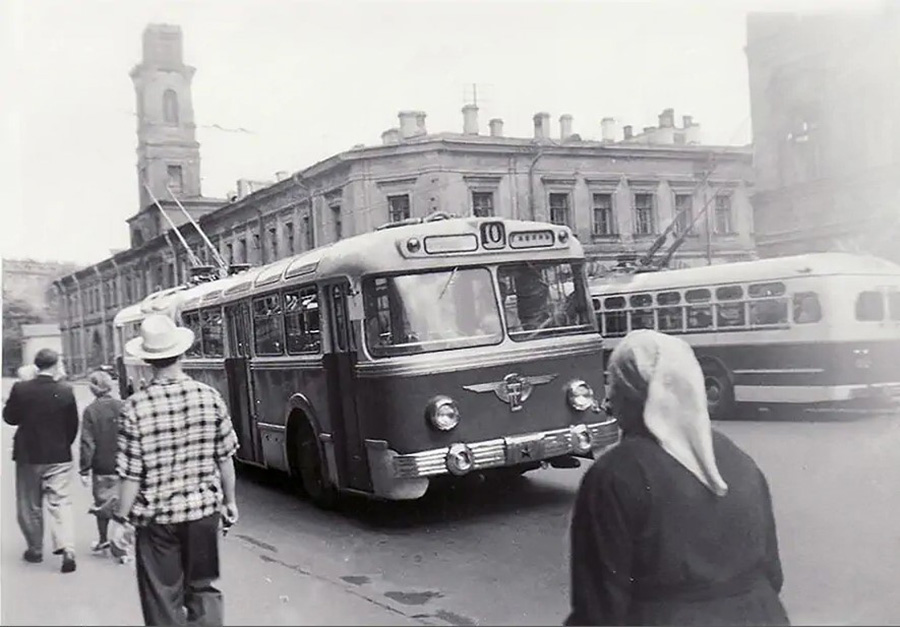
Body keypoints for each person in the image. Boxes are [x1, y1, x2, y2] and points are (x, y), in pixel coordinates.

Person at [566, 329, 789, 626]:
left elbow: (600, 605)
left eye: (614, 385)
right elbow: (772, 573)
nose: (609, 401)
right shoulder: (737, 459)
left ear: (633, 393)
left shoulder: (614, 475)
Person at [108, 314, 239, 626]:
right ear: (182, 353)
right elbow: (225, 458)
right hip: (203, 515)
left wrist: (120, 519)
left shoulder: (135, 407)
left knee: (162, 597)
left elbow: (131, 475)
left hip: (157, 521)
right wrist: (229, 502)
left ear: (148, 360)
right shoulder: (210, 397)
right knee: (204, 588)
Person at [2, 348, 78, 573]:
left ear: (36, 366)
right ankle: (67, 547)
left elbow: (9, 417)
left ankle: (35, 549)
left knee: (30, 503)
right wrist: (63, 444)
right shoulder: (65, 390)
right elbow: (72, 425)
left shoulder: (21, 389)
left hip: (29, 454)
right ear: (55, 365)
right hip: (59, 455)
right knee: (60, 501)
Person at [79, 370, 125, 557]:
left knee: (102, 504)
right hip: (123, 464)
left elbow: (87, 443)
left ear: (92, 389)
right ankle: (121, 543)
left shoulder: (91, 411)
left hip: (102, 465)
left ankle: (104, 539)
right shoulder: (123, 406)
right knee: (123, 503)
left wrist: (84, 469)